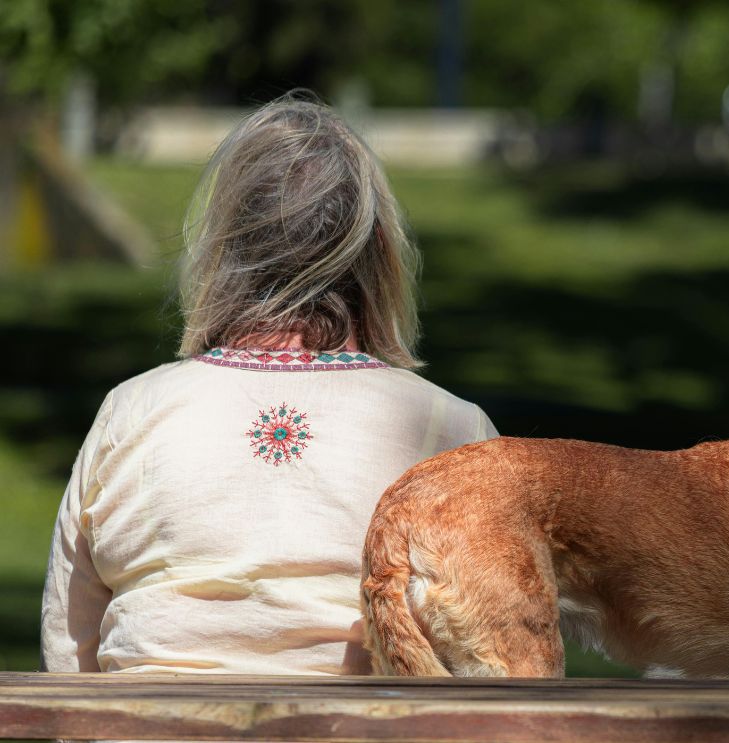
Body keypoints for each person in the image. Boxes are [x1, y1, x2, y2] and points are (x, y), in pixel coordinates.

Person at [40, 95, 497, 675]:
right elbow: (494, 662)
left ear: (224, 247)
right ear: (378, 251)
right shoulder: (455, 434)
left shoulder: (130, 413)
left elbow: (68, 649)